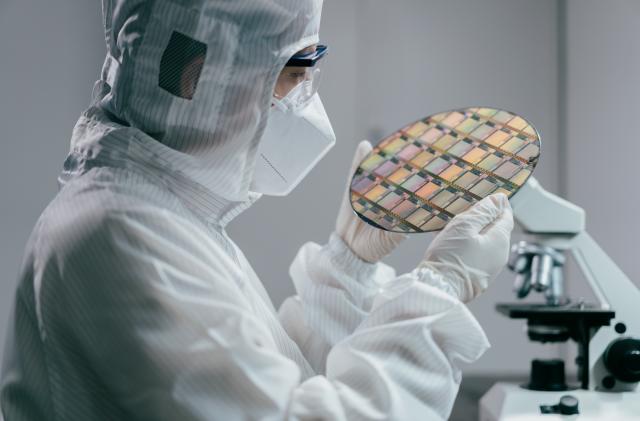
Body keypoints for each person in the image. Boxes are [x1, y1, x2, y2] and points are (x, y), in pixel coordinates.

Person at [0, 1, 514, 420]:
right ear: (197, 76)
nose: (302, 101)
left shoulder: (162, 214)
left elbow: (266, 383)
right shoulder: (121, 234)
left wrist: (348, 269)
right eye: (293, 74)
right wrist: (439, 289)